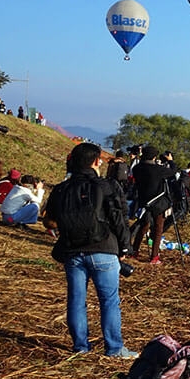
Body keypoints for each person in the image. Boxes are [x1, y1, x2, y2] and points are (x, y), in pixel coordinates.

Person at [42, 142, 136, 358]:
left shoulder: (61, 189)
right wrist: (125, 246)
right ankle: (114, 348)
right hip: (104, 250)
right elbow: (119, 218)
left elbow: (49, 221)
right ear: (96, 161)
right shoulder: (107, 186)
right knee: (109, 300)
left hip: (73, 252)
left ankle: (81, 347)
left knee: (76, 299)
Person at [130, 145, 177, 264]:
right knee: (158, 228)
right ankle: (154, 257)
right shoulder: (158, 169)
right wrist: (171, 161)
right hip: (157, 203)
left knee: (143, 226)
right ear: (155, 156)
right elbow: (173, 171)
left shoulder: (137, 168)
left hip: (143, 202)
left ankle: (134, 251)